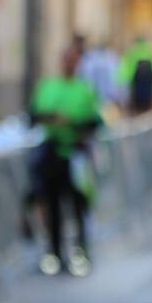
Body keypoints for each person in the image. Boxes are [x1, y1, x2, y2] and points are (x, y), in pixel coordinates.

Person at [30, 44, 103, 276]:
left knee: (78, 206)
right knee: (52, 206)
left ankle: (80, 254)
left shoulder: (85, 89)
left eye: (74, 60)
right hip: (53, 154)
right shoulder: (48, 87)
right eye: (67, 59)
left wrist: (73, 125)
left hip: (77, 154)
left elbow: (94, 121)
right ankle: (54, 254)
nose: (70, 64)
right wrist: (54, 120)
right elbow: (34, 115)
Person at [119, 36, 152, 115]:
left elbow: (123, 75)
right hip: (151, 94)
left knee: (138, 115)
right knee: (150, 117)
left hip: (136, 95)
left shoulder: (131, 53)